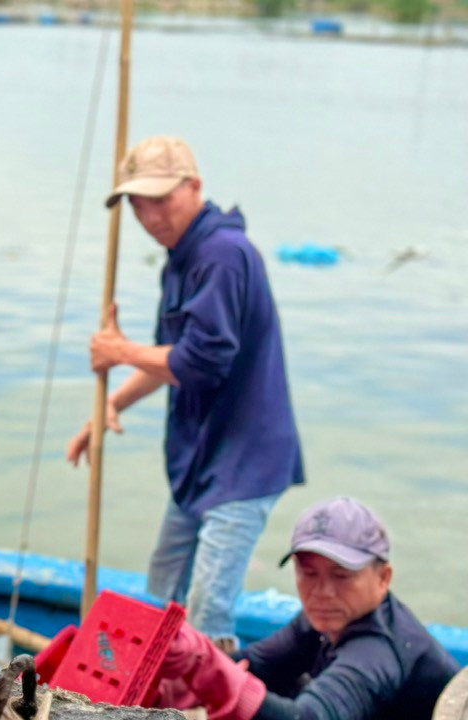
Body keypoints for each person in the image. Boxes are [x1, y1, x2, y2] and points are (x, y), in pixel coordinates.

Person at [66, 136, 304, 650]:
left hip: (243, 463)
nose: (149, 216)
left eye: (159, 199)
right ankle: (155, 689)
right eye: (136, 203)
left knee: (207, 617)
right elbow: (171, 356)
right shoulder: (182, 256)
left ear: (194, 186)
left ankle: (208, 702)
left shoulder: (221, 254)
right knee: (165, 591)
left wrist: (120, 350)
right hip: (202, 460)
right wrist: (109, 403)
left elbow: (202, 361)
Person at [153, 497, 460, 719]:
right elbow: (254, 662)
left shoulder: (377, 650)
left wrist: (210, 669)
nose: (322, 592)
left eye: (341, 576)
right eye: (308, 573)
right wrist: (187, 668)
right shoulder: (327, 618)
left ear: (383, 578)